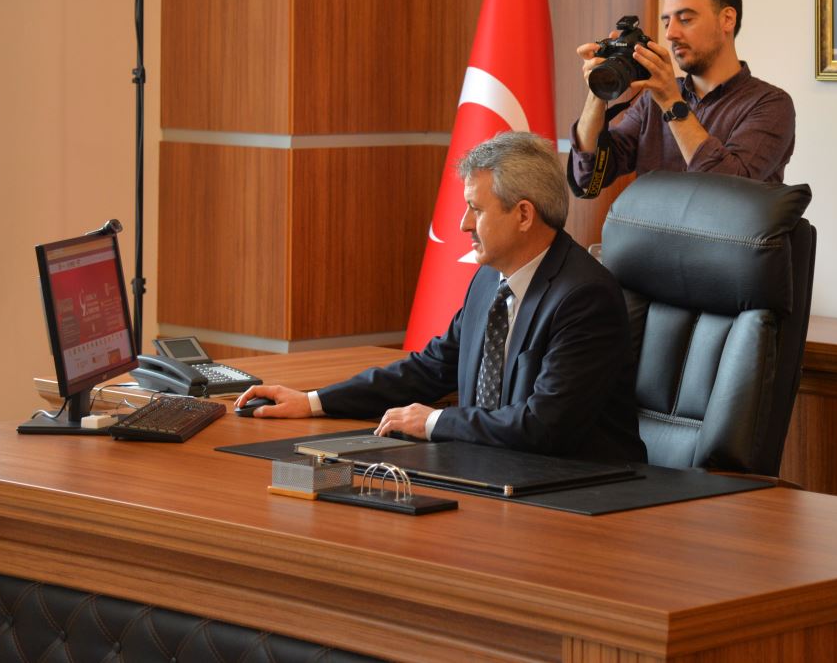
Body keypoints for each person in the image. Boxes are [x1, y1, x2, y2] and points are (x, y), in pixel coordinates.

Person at [235, 131, 646, 465]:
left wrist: (434, 421)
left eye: (476, 210)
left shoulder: (584, 297)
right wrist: (313, 402)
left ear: (524, 214)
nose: (464, 224)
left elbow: (544, 426)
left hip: (582, 490)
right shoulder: (489, 279)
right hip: (495, 467)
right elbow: (431, 369)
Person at [568, 0, 794, 194]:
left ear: (727, 19)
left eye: (685, 19)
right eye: (667, 22)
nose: (670, 34)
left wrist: (671, 102)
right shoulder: (651, 101)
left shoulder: (771, 104)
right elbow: (589, 176)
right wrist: (599, 88)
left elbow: (727, 191)